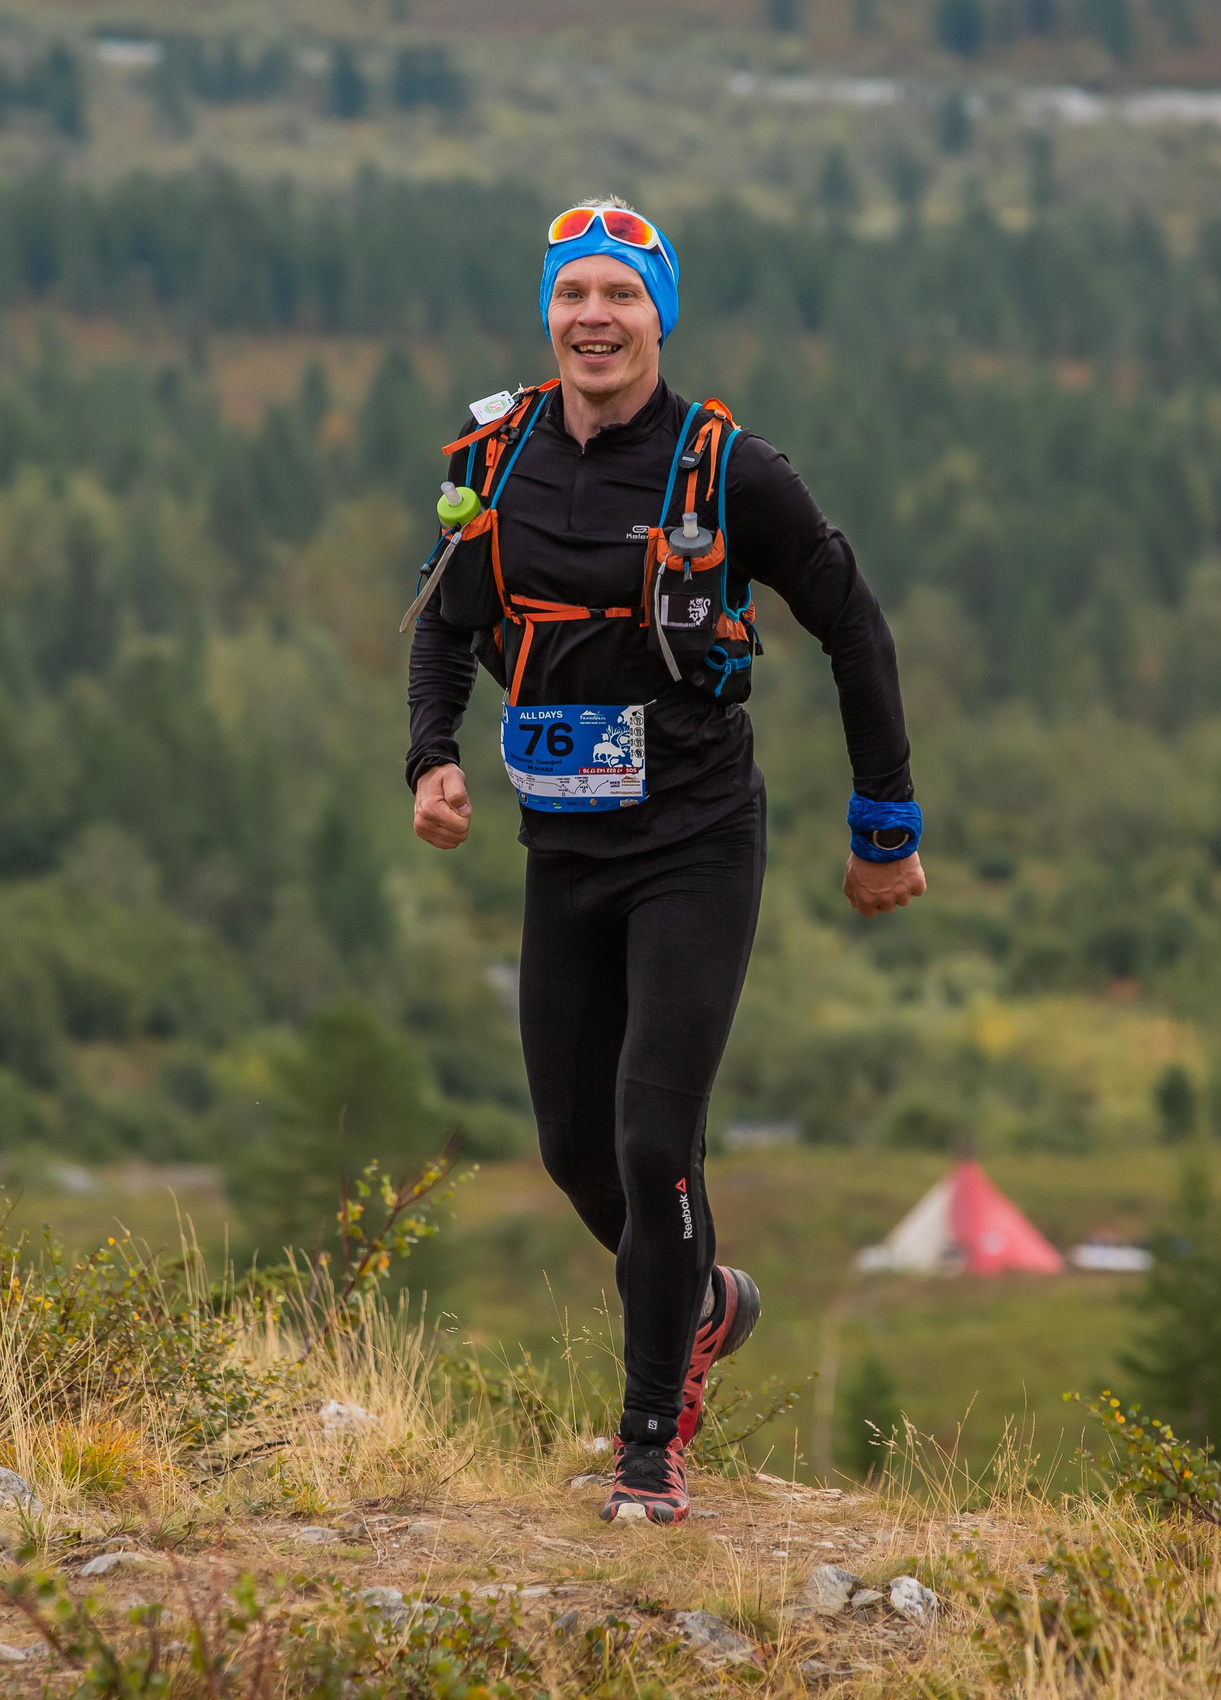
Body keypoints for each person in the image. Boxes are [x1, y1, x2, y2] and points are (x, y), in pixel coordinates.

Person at [403, 199, 925, 1524]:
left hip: (695, 842)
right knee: (575, 1147)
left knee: (652, 1141)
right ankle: (700, 1302)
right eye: (573, 292)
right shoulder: (496, 454)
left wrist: (884, 827)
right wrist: (433, 759)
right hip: (561, 849)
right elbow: (442, 622)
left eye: (620, 296)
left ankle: (649, 1447)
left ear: (659, 314)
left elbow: (852, 628)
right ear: (548, 311)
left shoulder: (729, 469)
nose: (595, 316)